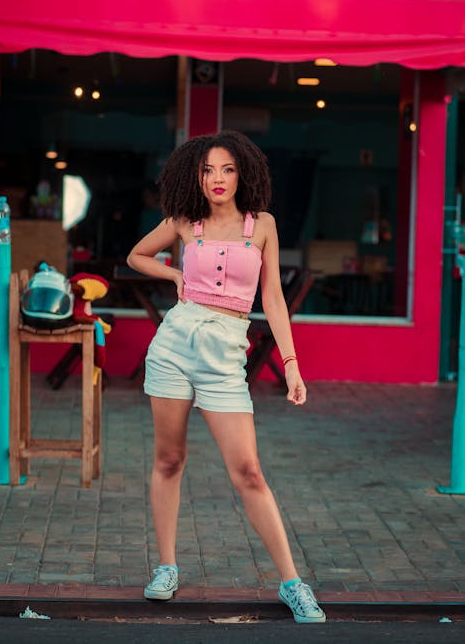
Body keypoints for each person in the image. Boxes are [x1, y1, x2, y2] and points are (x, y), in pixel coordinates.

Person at [127, 130, 325, 624]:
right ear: (196, 175)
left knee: (249, 472)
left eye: (228, 169)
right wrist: (173, 276)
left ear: (244, 175)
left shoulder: (261, 227)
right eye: (208, 170)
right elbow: (136, 255)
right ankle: (167, 567)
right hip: (174, 345)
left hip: (225, 356)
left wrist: (293, 364)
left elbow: (273, 299)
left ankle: (292, 583)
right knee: (169, 459)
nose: (217, 179)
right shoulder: (182, 222)